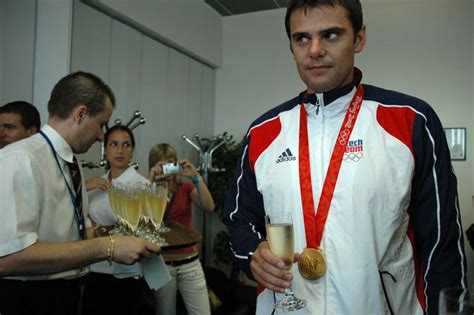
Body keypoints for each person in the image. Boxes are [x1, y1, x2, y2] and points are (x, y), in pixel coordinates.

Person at [222, 1, 468, 314]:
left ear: (359, 38)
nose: (315, 50)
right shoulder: (264, 131)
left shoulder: (410, 120)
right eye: (302, 38)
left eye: (331, 35)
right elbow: (239, 219)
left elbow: (442, 243)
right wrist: (251, 253)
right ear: (291, 47)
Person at [0, 71, 160, 315]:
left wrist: (109, 232)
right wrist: (107, 247)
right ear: (80, 114)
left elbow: (65, 234)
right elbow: (9, 257)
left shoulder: (70, 163)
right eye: (101, 125)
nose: (100, 137)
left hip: (68, 294)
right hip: (31, 300)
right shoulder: (20, 159)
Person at [82, 125, 152, 315]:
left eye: (126, 145)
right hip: (94, 268)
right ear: (106, 149)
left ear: (132, 151)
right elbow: (81, 220)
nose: (120, 150)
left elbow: (142, 230)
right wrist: (83, 188)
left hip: (127, 273)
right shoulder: (95, 184)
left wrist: (97, 230)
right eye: (114, 144)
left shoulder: (142, 185)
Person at [148, 143, 215, 315]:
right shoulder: (149, 189)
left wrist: (196, 177)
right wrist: (151, 181)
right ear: (153, 166)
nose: (166, 169)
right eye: (161, 165)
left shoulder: (185, 188)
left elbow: (209, 206)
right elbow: (146, 220)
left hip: (190, 262)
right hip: (162, 265)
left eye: (170, 164)